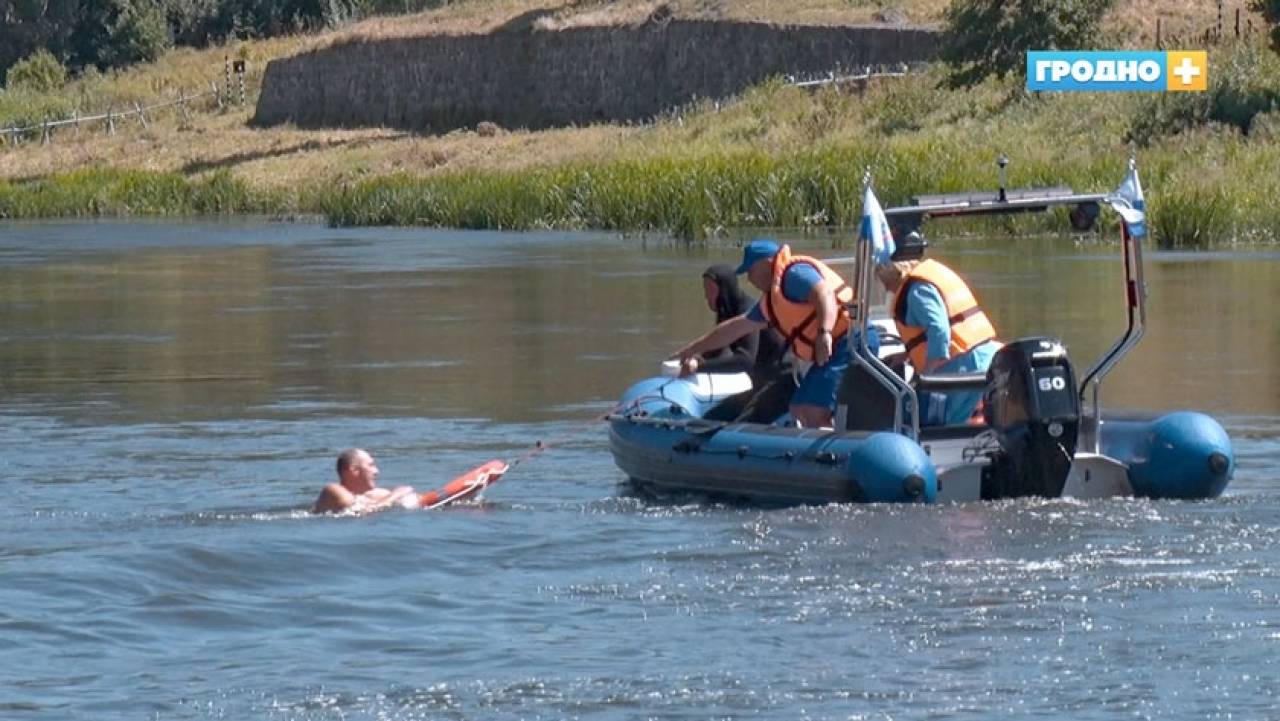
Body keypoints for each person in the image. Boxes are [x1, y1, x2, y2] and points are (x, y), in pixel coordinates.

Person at [672, 239, 856, 428]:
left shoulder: (794, 274)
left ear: (767, 263)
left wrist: (824, 331)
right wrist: (694, 348)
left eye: (751, 271)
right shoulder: (770, 301)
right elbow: (735, 328)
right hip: (828, 349)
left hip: (848, 338)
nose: (750, 279)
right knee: (799, 407)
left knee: (811, 408)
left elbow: (823, 294)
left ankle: (831, 453)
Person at [874, 233, 1001, 426]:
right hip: (982, 356)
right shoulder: (928, 276)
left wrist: (928, 373)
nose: (882, 284)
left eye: (880, 274)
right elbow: (929, 333)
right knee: (956, 419)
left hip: (960, 365)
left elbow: (939, 330)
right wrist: (907, 355)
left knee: (932, 422)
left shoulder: (916, 289)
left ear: (891, 270)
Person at [686, 264, 796, 424]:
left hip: (778, 387)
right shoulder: (729, 312)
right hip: (759, 387)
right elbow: (717, 351)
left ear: (723, 289)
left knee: (736, 426)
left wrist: (699, 367)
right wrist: (695, 358)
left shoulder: (747, 313)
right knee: (709, 419)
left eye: (710, 291)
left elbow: (745, 360)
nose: (706, 297)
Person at [312, 448, 418, 514]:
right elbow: (358, 512)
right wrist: (396, 494)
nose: (376, 471)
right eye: (371, 465)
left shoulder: (377, 494)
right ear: (354, 469)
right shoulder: (333, 490)